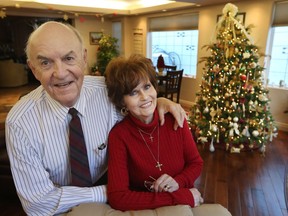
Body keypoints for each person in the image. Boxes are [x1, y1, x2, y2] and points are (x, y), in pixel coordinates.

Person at [5, 21, 187, 216]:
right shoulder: (20, 123)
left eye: (68, 58)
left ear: (84, 58)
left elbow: (138, 101)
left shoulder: (107, 92)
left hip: (113, 192)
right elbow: (37, 204)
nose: (60, 73)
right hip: (60, 207)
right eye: (45, 63)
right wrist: (111, 192)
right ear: (33, 69)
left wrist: (159, 101)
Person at [105, 54, 204, 211]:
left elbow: (196, 163)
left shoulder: (175, 118)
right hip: (147, 210)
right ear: (122, 100)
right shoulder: (119, 135)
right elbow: (118, 197)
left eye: (147, 87)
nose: (144, 97)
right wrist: (180, 196)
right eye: (133, 92)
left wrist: (178, 182)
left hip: (184, 208)